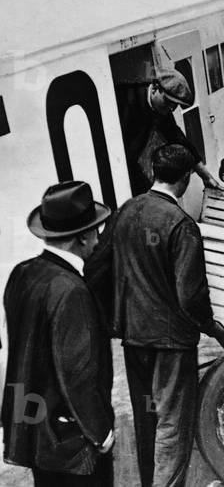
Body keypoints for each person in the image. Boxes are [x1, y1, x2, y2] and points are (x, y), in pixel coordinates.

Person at [86, 144, 224, 487]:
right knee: (172, 426)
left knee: (147, 418)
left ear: (152, 171)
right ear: (185, 179)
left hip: (134, 338)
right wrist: (211, 326)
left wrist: (115, 317)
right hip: (171, 343)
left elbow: (96, 268)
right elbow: (190, 295)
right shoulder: (181, 224)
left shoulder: (125, 211)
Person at [2, 181, 115, 486]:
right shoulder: (72, 291)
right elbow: (77, 376)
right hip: (72, 443)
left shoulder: (22, 273)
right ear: (82, 236)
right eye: (96, 231)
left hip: (34, 432)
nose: (97, 239)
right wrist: (101, 434)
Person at [115, 67, 224, 195]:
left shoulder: (162, 108)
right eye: (168, 102)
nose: (171, 109)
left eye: (175, 105)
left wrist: (206, 176)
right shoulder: (124, 100)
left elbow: (179, 140)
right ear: (155, 88)